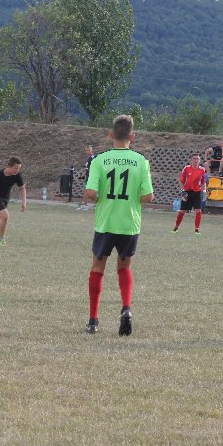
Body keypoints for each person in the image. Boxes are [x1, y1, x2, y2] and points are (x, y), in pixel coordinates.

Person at [83, 115, 154, 335]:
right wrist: (131, 198)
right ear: (132, 137)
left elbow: (90, 193)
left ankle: (93, 321)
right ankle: (126, 309)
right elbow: (148, 196)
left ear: (110, 134)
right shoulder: (141, 161)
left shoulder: (99, 160)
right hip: (129, 224)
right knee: (124, 268)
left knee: (97, 268)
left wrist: (102, 199)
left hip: (105, 223)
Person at [173, 153, 207, 234]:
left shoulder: (202, 170)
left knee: (198, 210)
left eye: (197, 159)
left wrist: (204, 191)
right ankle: (176, 227)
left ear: (199, 160)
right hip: (187, 192)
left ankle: (197, 229)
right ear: (191, 160)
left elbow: (203, 182)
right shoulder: (186, 168)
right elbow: (181, 181)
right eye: (194, 159)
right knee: (182, 210)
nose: (196, 160)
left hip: (197, 192)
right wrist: (183, 191)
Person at [80, 145, 96, 209]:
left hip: (92, 177)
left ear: (92, 150)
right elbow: (86, 169)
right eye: (86, 150)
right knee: (86, 190)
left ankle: (85, 204)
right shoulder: (88, 159)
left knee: (89, 191)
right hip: (87, 177)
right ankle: (84, 204)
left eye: (89, 150)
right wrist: (83, 176)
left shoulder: (94, 158)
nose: (87, 151)